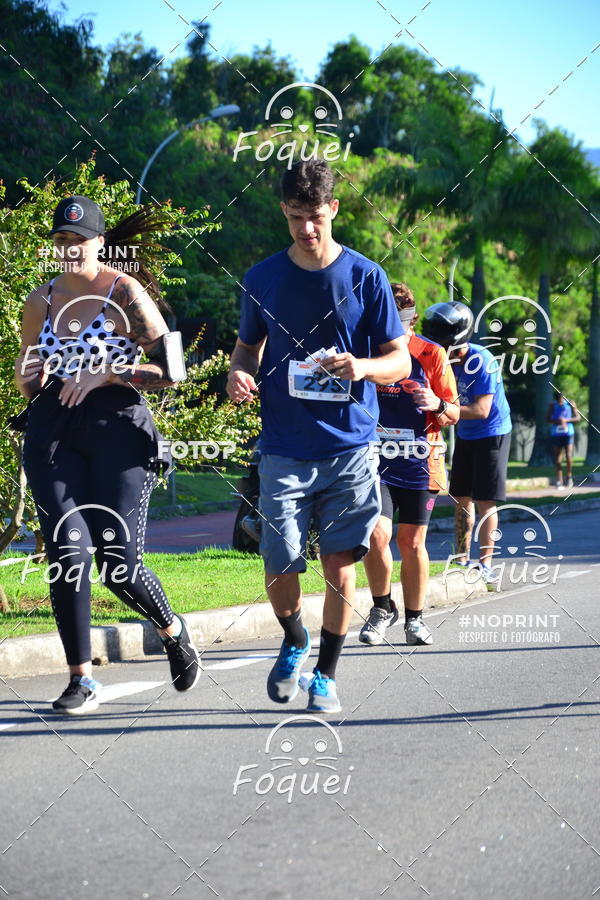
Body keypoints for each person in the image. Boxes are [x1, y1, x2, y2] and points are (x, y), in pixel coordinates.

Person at [226, 160, 410, 714]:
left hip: (349, 447)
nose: (308, 228)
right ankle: (294, 638)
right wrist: (238, 372)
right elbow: (247, 349)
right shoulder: (262, 279)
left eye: (316, 216)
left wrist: (362, 368)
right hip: (283, 445)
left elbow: (399, 360)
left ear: (334, 209)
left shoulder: (366, 276)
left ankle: (325, 675)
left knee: (338, 565)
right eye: (297, 216)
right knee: (278, 560)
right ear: (284, 210)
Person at [14, 195, 200, 714]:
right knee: (67, 554)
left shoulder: (126, 294)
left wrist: (107, 373)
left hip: (118, 429)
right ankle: (80, 679)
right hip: (54, 431)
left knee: (119, 564)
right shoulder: (41, 302)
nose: (70, 250)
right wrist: (33, 377)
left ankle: (172, 629)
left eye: (80, 241)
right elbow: (27, 379)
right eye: (61, 241)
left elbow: (173, 370)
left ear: (100, 244)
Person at [360, 284, 459, 646]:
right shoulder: (370, 350)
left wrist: (434, 402)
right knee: (375, 535)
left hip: (420, 460)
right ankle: (382, 607)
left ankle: (415, 620)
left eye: (398, 321)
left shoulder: (430, 354)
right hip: (375, 459)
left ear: (411, 320)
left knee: (412, 541)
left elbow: (454, 412)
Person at [421, 301, 512, 584]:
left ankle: (485, 563)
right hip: (466, 434)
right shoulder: (442, 361)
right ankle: (462, 558)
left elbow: (482, 411)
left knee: (485, 501)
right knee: (461, 499)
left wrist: (441, 408)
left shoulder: (483, 361)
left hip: (492, 434)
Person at [547, 390, 579, 488]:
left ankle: (569, 477)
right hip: (556, 434)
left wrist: (566, 420)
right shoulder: (552, 405)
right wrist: (558, 421)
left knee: (569, 456)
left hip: (568, 433)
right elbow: (547, 419)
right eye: (558, 399)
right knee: (557, 458)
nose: (560, 401)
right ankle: (559, 480)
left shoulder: (570, 403)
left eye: (562, 399)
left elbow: (577, 418)